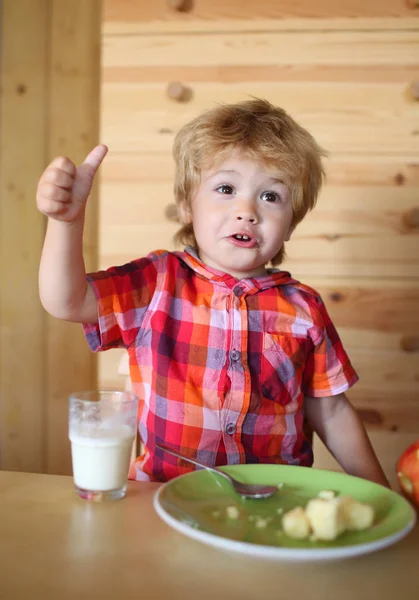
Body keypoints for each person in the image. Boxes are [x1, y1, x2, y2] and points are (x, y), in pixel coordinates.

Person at [37, 98, 389, 486]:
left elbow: (333, 411)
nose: (247, 210)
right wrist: (65, 223)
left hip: (271, 502)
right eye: (226, 188)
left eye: (271, 196)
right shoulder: (158, 282)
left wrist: (381, 496)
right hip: (161, 498)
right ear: (187, 205)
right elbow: (65, 301)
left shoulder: (304, 308)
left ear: (291, 224)